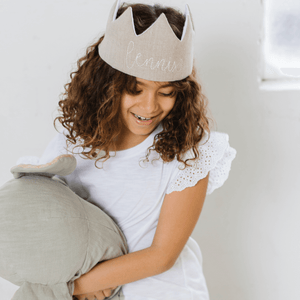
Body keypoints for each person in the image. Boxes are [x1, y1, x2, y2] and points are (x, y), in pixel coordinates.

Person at [18, 1, 237, 299]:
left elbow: (161, 255)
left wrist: (75, 288)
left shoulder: (189, 153)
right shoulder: (72, 146)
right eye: (135, 89)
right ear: (106, 85)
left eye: (166, 93)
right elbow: (46, 223)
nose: (149, 107)